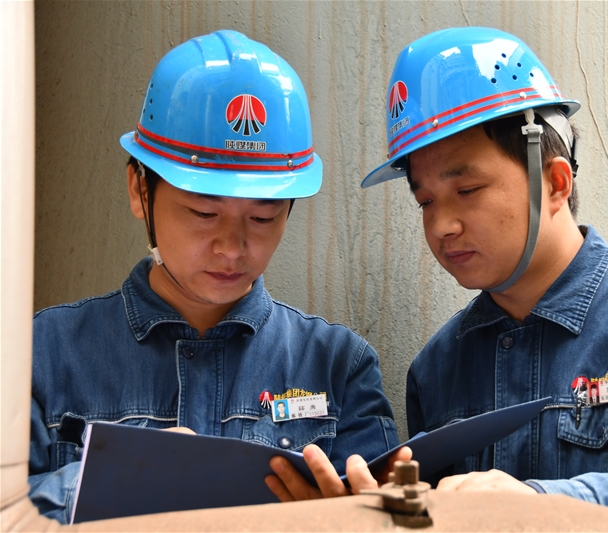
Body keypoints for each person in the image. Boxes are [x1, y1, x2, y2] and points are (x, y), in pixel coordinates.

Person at [273, 27, 608, 521]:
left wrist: (542, 505)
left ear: (555, 182)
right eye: (425, 201)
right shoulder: (437, 370)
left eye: (467, 190)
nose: (441, 225)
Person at [28, 30, 398, 524]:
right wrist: (110, 481)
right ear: (140, 190)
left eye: (263, 218)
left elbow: (389, 516)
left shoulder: (338, 367)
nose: (232, 248)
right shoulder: (41, 355)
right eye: (203, 213)